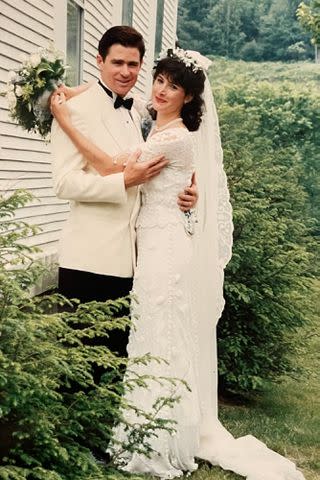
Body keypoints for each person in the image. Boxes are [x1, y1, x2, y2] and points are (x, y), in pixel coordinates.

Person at [51, 46, 305, 480]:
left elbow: (113, 166)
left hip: (161, 249)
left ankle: (155, 437)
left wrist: (64, 120)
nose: (161, 89)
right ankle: (141, 428)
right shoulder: (152, 125)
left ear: (190, 97)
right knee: (153, 337)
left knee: (159, 337)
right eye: (160, 81)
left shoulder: (172, 137)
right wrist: (187, 200)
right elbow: (169, 186)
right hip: (145, 245)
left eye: (173, 86)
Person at [50, 26, 197, 359]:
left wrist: (191, 189)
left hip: (133, 260)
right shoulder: (71, 112)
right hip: (90, 258)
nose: (125, 72)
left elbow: (170, 159)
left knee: (114, 366)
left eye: (133, 65)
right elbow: (64, 183)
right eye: (117, 62)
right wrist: (122, 183)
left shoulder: (137, 110)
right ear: (100, 60)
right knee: (83, 366)